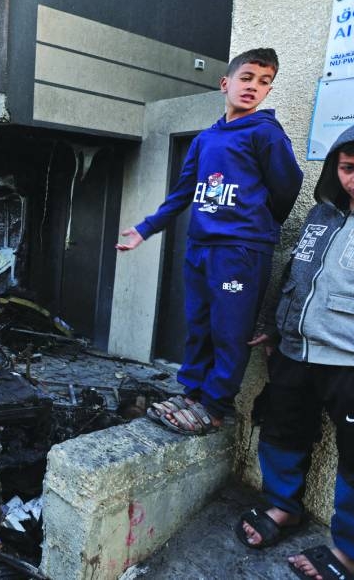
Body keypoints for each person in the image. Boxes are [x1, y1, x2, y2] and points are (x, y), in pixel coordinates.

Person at [238, 114, 354, 579]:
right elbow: (294, 274)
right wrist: (273, 328)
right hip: (295, 354)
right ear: (335, 167)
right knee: (281, 432)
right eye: (348, 167)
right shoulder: (322, 214)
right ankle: (284, 506)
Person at [116, 47, 303, 435]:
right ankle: (192, 393)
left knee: (228, 331)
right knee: (199, 325)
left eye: (264, 82)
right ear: (226, 83)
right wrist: (146, 228)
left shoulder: (265, 134)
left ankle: (215, 407)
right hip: (200, 248)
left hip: (240, 251)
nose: (254, 87)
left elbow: (288, 187)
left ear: (269, 91)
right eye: (247, 77)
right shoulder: (205, 140)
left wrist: (257, 226)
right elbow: (183, 194)